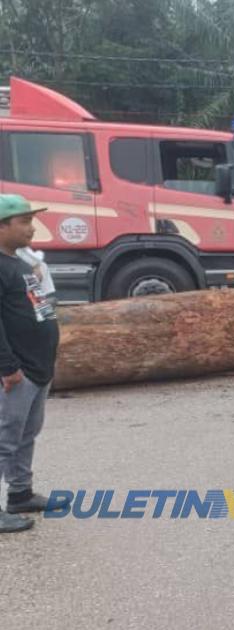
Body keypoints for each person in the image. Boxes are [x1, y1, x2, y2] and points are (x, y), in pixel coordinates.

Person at [0, 195, 58, 533]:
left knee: (25, 434)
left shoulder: (19, 262)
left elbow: (38, 309)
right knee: (4, 437)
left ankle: (20, 494)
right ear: (2, 226)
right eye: (23, 221)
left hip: (37, 369)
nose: (31, 227)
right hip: (16, 372)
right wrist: (7, 367)